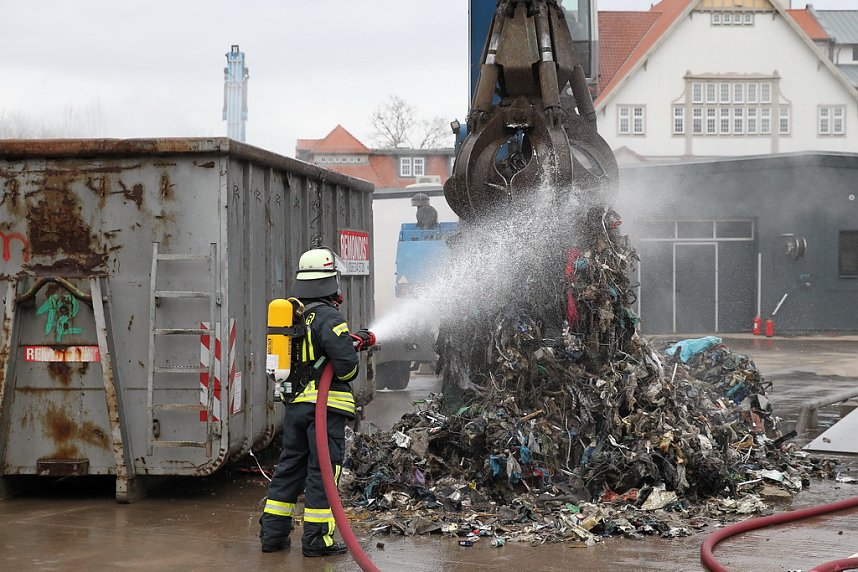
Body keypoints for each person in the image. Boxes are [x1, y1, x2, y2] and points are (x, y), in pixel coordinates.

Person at [259, 247, 363, 557]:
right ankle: (318, 540)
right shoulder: (328, 315)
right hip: (324, 409)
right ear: (331, 280)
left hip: (296, 406)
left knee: (290, 467)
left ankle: (273, 536)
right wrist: (351, 348)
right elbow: (347, 366)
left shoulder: (296, 312)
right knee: (323, 472)